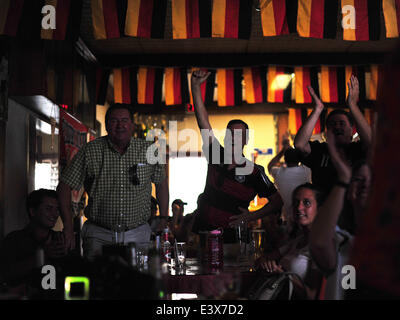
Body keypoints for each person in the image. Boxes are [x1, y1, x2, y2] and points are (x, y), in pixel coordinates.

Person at [57, 103, 169, 260]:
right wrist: (68, 228)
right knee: (98, 283)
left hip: (138, 234)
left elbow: (161, 184)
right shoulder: (90, 150)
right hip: (99, 234)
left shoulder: (150, 150)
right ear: (107, 125)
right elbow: (64, 186)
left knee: (139, 282)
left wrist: (164, 218)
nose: (120, 125)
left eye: (124, 120)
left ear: (132, 125)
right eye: (114, 121)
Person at [190, 70, 283, 243]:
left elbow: (277, 202)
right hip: (202, 235)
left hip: (232, 239)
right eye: (231, 134)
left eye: (239, 135)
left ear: (246, 140)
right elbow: (203, 121)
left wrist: (251, 217)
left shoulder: (255, 172)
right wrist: (195, 87)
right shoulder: (215, 154)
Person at [294, 75, 371, 234]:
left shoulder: (358, 150)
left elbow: (371, 141)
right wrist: (317, 110)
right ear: (326, 133)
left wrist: (352, 106)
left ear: (352, 131)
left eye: (342, 123)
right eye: (332, 124)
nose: (337, 126)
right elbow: (300, 144)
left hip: (356, 221)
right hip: (325, 222)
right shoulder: (320, 151)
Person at [309, 130, 371, 300]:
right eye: (358, 180)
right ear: (349, 190)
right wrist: (343, 179)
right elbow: (319, 243)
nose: (365, 185)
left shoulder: (388, 239)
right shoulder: (341, 240)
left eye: (371, 181)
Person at [256, 183, 323, 300]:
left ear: (319, 208)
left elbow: (313, 295)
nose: (299, 208)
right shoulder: (298, 241)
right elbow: (263, 258)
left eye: (306, 203)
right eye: (296, 203)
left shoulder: (319, 246)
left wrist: (283, 275)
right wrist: (266, 264)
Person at [0, 189, 66, 291]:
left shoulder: (60, 240)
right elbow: (5, 273)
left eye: (57, 209)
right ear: (33, 211)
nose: (55, 214)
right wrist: (40, 257)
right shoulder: (15, 240)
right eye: (48, 208)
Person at [268, 137, 311, 231]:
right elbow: (308, 157)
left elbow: (270, 165)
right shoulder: (306, 171)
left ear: (285, 160)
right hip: (305, 217)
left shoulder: (279, 173)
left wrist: (283, 151)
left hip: (288, 220)